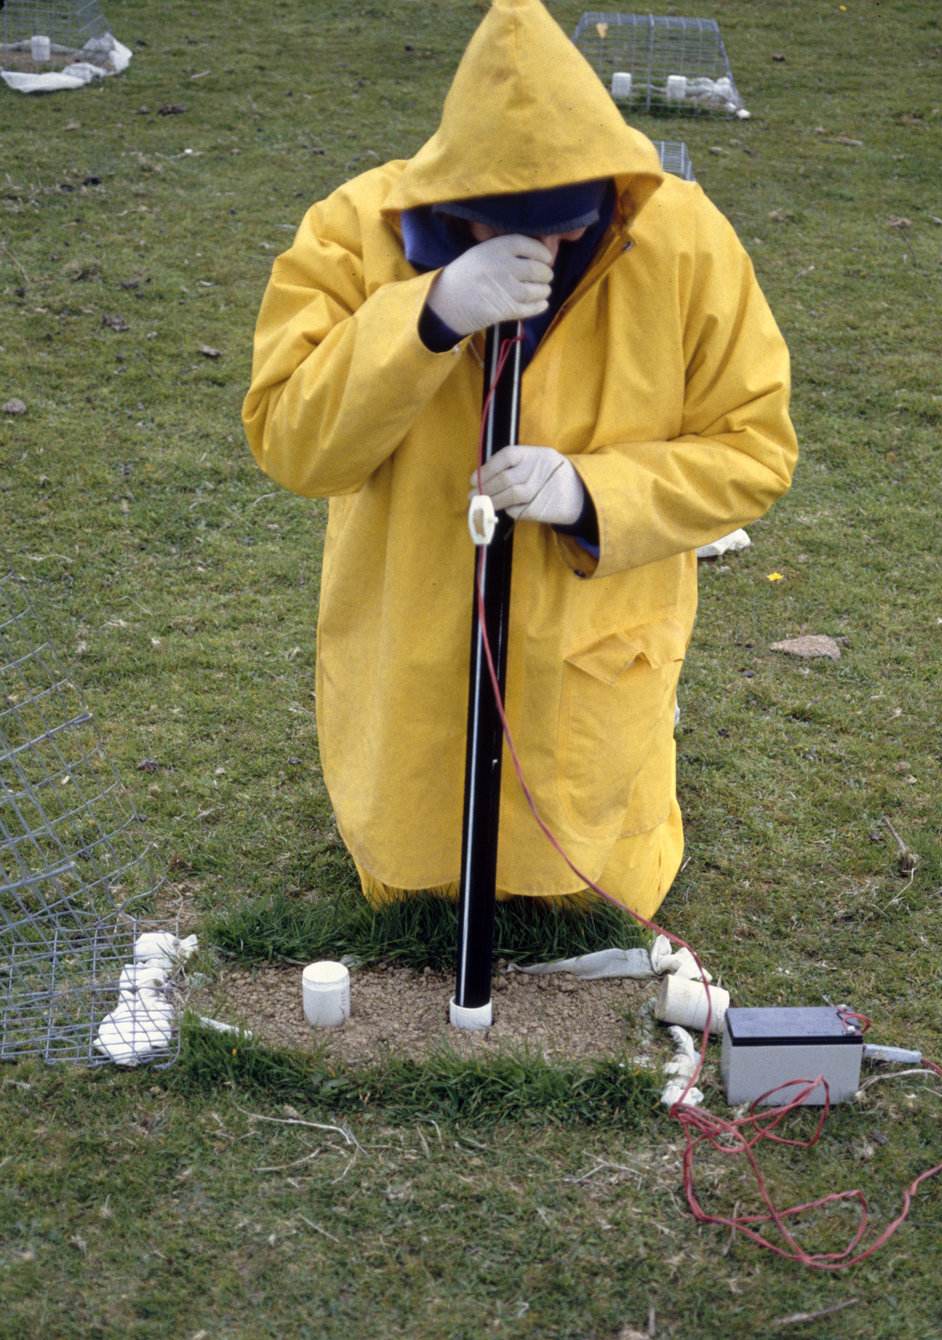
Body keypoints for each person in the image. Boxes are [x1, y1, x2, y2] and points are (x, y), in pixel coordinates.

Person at [242, 0, 797, 921]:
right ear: (446, 196)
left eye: (566, 225)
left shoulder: (684, 242)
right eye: (501, 226)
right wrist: (425, 317)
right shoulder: (354, 231)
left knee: (591, 873)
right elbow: (291, 441)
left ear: (610, 193)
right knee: (414, 862)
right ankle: (420, 866)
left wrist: (593, 493)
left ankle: (580, 870)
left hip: (590, 660)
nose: (540, 250)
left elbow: (755, 449)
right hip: (411, 631)